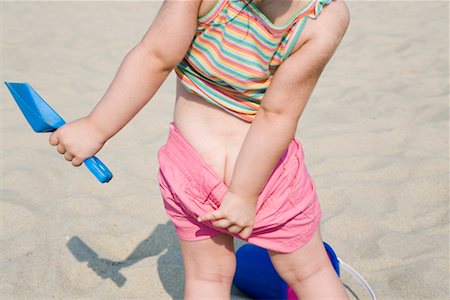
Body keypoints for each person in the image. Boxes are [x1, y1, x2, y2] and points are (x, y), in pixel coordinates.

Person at [49, 0, 350, 298]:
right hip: (267, 179)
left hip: (191, 170)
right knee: (310, 272)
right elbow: (277, 114)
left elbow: (154, 57)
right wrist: (244, 194)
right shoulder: (325, 16)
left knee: (208, 278)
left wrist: (96, 127)